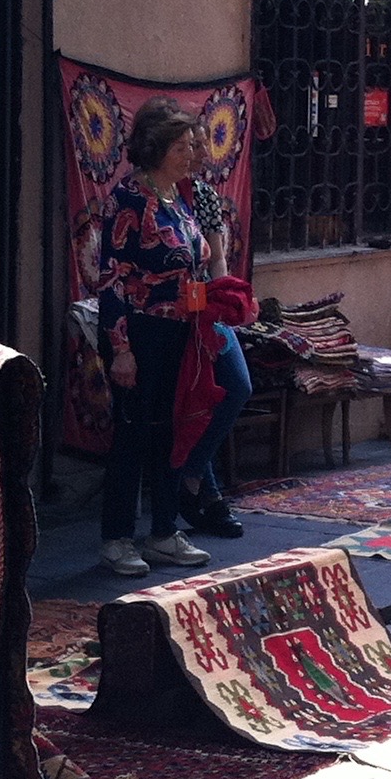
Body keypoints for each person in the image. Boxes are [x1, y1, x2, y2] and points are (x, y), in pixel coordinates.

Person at [97, 97, 217, 577]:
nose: (193, 154)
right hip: (141, 331)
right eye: (184, 146)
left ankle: (164, 531)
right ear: (158, 148)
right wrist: (121, 348)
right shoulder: (128, 200)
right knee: (133, 433)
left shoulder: (178, 199)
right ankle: (117, 536)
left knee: (172, 431)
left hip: (180, 331)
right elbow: (111, 278)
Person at [176, 148, 250, 537]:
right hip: (167, 314)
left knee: (237, 385)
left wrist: (220, 304)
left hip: (204, 308)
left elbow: (217, 258)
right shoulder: (147, 199)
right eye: (184, 147)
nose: (193, 157)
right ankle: (207, 494)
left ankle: (191, 478)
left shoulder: (201, 195)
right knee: (194, 397)